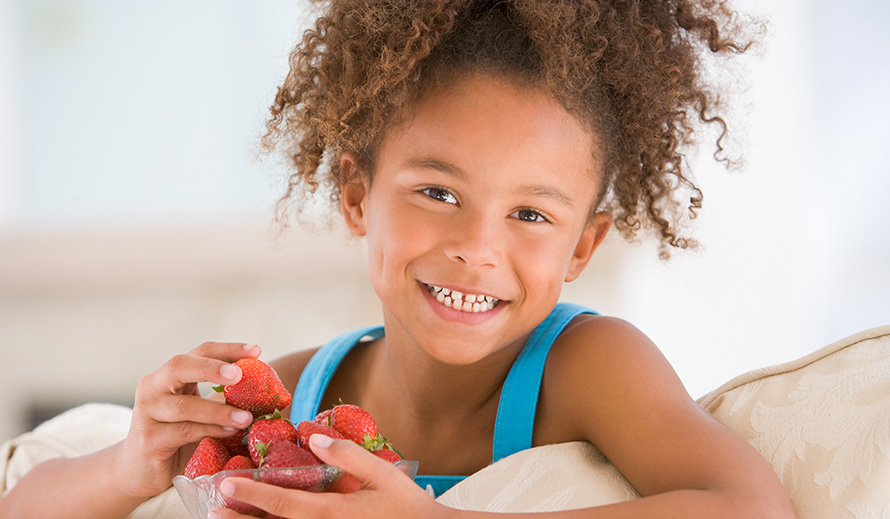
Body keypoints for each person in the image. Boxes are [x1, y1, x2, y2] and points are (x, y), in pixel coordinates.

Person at [0, 1, 797, 518]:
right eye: (438, 194)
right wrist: (131, 463)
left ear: (583, 245)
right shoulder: (309, 391)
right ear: (356, 195)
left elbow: (750, 505)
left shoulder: (588, 362)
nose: (476, 248)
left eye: (530, 214)